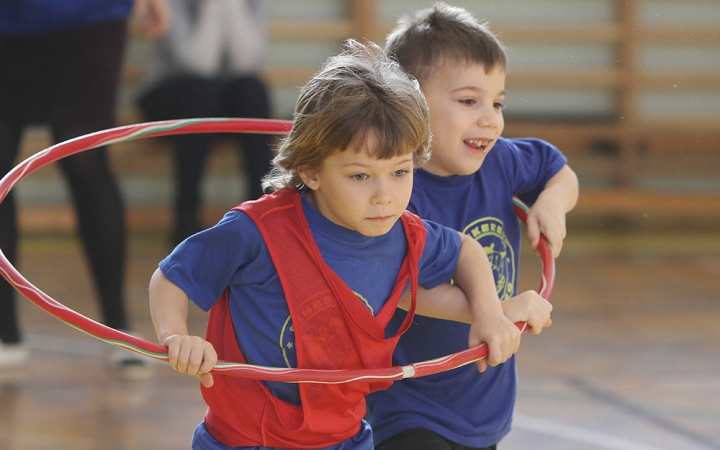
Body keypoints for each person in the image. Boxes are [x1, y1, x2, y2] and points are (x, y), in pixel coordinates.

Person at [148, 39, 535, 450]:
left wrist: (490, 313)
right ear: (311, 171)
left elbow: (465, 251)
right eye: (360, 177)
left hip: (344, 439)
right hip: (244, 441)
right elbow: (172, 278)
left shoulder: (404, 234)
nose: (384, 196)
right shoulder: (256, 232)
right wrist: (176, 336)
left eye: (401, 172)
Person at [366, 4, 579, 450]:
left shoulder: (500, 160)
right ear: (409, 104)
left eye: (497, 102)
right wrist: (492, 310)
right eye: (468, 101)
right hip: (406, 402)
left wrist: (552, 205)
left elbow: (558, 169)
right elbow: (389, 286)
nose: (490, 119)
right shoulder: (390, 188)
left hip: (484, 401)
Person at [0, 0, 169, 377]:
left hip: (89, 18)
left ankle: (118, 325)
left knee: (86, 164)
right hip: (6, 23)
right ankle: (4, 332)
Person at [138, 0, 275, 246]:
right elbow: (197, 64)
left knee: (252, 89)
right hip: (171, 94)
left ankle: (261, 213)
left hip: (223, 97)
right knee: (200, 91)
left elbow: (247, 63)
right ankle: (187, 217)